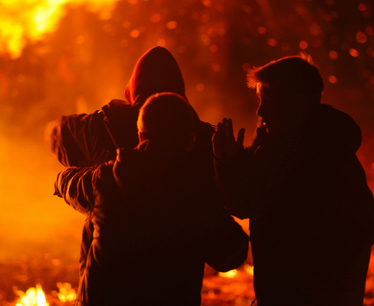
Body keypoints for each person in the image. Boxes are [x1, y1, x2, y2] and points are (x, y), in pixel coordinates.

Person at [213, 55, 374, 305]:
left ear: (299, 104)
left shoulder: (329, 157)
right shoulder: (272, 149)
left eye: (269, 101)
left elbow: (363, 228)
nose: (260, 111)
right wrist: (231, 163)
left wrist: (321, 282)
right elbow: (243, 204)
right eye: (259, 101)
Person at [54, 93, 249, 306]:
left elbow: (68, 182)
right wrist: (227, 170)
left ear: (140, 136)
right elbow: (233, 252)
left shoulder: (106, 178)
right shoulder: (196, 196)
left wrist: (62, 180)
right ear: (191, 140)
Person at [48, 46, 216, 280]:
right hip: (172, 289)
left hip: (110, 289)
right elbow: (228, 250)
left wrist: (76, 169)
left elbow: (59, 136)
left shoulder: (108, 163)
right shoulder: (202, 142)